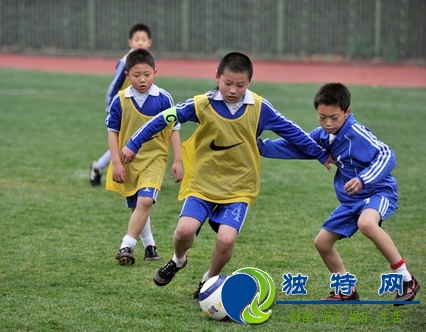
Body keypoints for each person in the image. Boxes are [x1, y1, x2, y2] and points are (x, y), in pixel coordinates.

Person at [119, 52, 332, 300]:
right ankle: (178, 260)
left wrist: (319, 153)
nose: (233, 90)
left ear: (249, 82)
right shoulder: (202, 104)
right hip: (203, 184)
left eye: (240, 85)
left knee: (226, 239)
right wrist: (134, 143)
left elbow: (292, 131)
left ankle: (208, 279)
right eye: (227, 83)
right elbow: (163, 119)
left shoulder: (259, 107)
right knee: (184, 232)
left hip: (239, 188)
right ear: (217, 77)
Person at [258, 82, 420, 304]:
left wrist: (364, 179)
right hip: (352, 200)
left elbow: (386, 154)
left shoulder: (356, 133)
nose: (327, 123)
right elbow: (297, 146)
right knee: (322, 243)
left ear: (347, 112)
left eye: (334, 117)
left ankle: (407, 279)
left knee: (367, 224)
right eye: (322, 117)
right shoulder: (324, 135)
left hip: (378, 191)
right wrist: (259, 146)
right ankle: (346, 290)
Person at [106, 49, 184, 265]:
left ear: (155, 73)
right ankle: (150, 245)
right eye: (137, 75)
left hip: (155, 159)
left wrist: (177, 160)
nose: (142, 79)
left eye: (147, 74)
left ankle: (126, 245)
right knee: (137, 206)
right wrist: (115, 163)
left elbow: (174, 129)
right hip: (128, 161)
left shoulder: (163, 99)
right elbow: (112, 132)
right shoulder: (120, 101)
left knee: (146, 200)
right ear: (127, 75)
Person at [90, 23, 152, 187]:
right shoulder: (126, 61)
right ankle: (99, 166)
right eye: (137, 39)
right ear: (130, 42)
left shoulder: (147, 60)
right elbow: (114, 85)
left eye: (143, 39)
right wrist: (110, 107)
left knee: (135, 142)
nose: (140, 42)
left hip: (138, 110)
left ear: (149, 43)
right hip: (123, 108)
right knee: (126, 143)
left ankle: (145, 174)